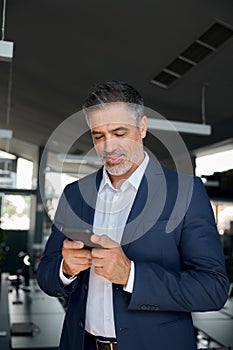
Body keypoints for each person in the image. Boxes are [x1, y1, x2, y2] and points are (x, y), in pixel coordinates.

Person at [37, 81, 229, 350]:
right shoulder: (75, 195)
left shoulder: (185, 193)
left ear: (142, 127)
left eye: (119, 132)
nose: (108, 147)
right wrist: (65, 269)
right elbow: (46, 274)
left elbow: (213, 288)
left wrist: (131, 275)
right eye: (98, 136)